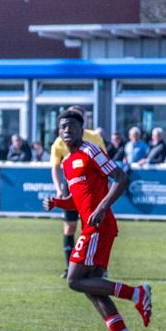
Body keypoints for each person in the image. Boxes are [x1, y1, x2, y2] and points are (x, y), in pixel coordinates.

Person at [42, 109, 151, 331]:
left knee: (74, 280)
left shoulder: (91, 151)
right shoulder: (68, 163)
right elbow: (78, 201)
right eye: (62, 127)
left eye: (71, 126)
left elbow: (121, 179)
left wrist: (102, 208)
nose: (66, 130)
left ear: (82, 129)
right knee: (91, 285)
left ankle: (137, 293)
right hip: (92, 226)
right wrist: (57, 203)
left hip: (99, 227)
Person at [50, 106, 105, 277]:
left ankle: (98, 267)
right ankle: (70, 267)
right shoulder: (60, 141)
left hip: (91, 188)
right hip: (71, 186)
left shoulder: (94, 138)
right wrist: (59, 189)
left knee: (93, 227)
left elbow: (105, 163)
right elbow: (55, 167)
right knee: (70, 227)